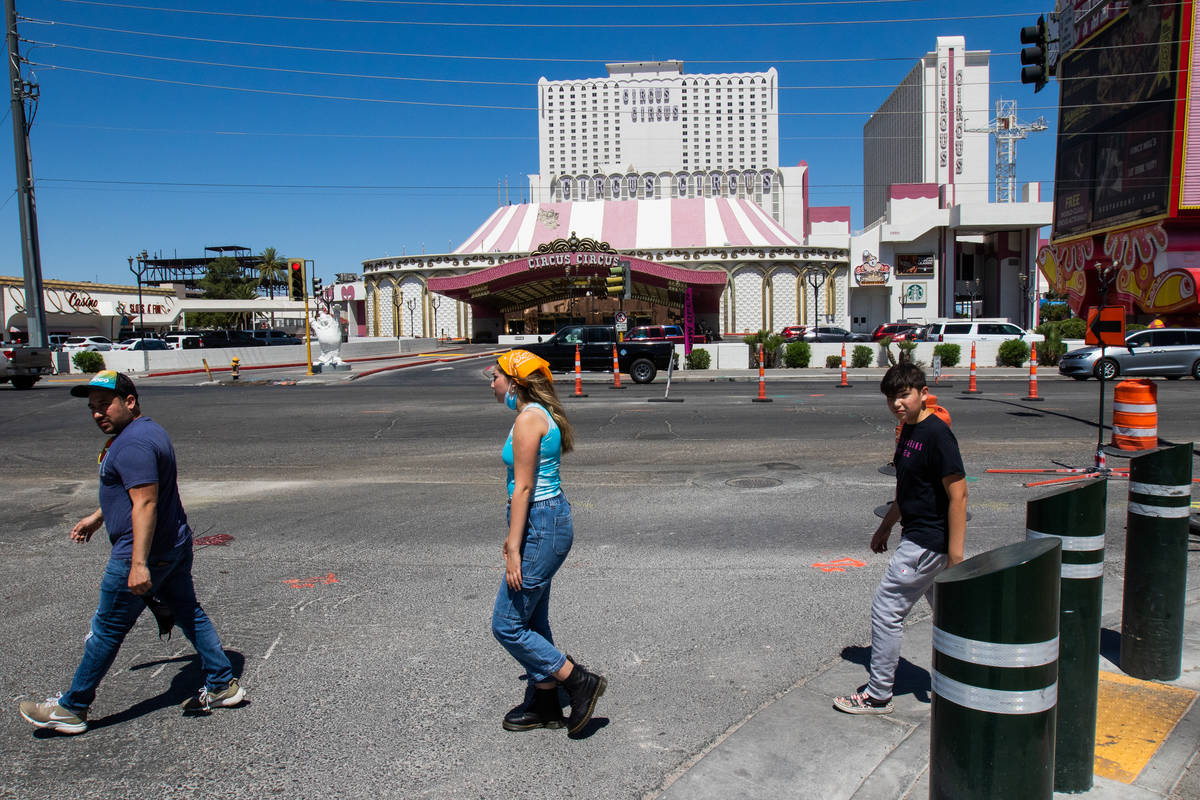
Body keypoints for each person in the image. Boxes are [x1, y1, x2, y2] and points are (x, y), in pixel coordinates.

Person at [19, 371, 244, 735]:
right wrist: (97, 517)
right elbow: (131, 494)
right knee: (188, 612)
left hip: (143, 554)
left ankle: (72, 708)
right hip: (172, 546)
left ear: (129, 401)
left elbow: (146, 503)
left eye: (104, 404)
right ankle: (221, 684)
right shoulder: (146, 432)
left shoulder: (132, 446)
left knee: (107, 629)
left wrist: (138, 564)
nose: (97, 413)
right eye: (92, 407)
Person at [834, 363, 967, 715]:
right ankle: (967, 674)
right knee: (952, 613)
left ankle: (878, 694)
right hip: (917, 534)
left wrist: (955, 557)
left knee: (886, 609)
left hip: (927, 542)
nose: (898, 403)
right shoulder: (908, 431)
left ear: (923, 394)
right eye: (892, 397)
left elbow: (959, 495)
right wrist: (887, 525)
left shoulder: (937, 434)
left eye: (904, 395)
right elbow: (907, 489)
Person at [489, 350, 606, 736]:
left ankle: (578, 680)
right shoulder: (539, 413)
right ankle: (545, 701)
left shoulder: (528, 420)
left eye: (496, 377)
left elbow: (523, 487)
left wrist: (514, 547)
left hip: (539, 520)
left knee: (506, 624)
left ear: (515, 382)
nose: (492, 384)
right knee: (532, 618)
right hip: (545, 518)